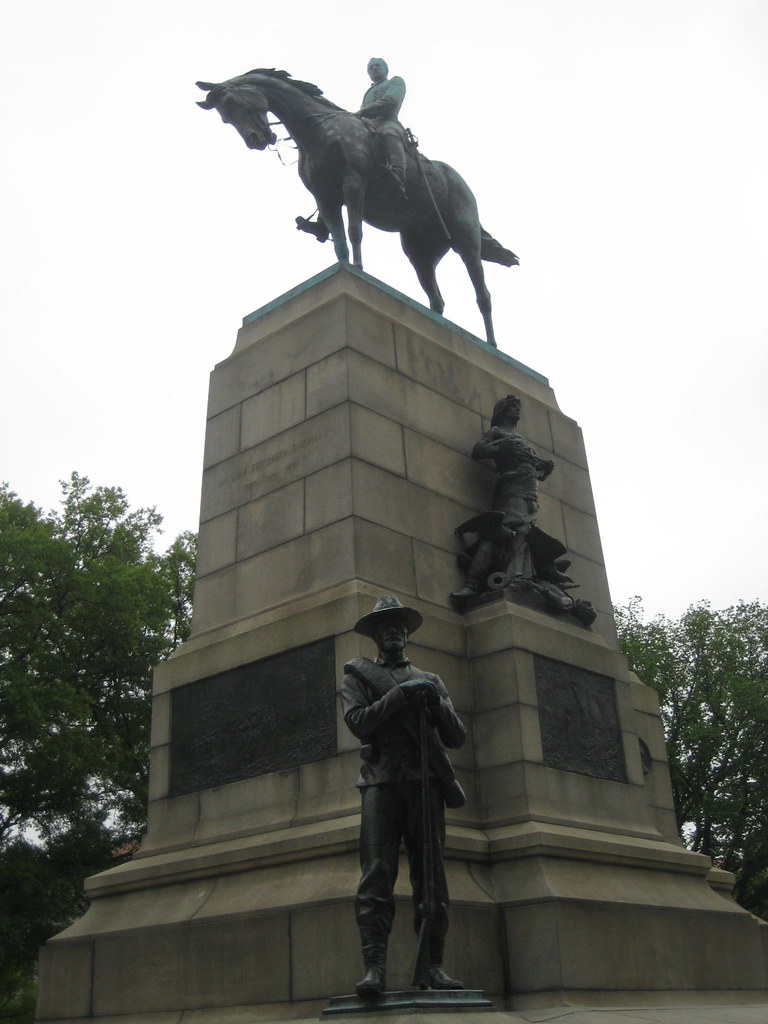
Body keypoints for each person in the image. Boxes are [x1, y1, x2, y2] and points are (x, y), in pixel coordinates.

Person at [342, 595, 466, 999]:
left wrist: (435, 706)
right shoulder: (357, 677)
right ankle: (374, 968)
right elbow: (359, 723)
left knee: (431, 878)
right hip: (381, 783)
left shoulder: (430, 679)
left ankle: (433, 965)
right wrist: (400, 695)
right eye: (385, 627)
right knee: (377, 873)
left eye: (399, 626)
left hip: (424, 784)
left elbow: (456, 737)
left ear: (406, 634)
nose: (393, 631)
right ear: (376, 636)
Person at [356, 57, 408, 196]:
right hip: (367, 126)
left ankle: (398, 174)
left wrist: (361, 112)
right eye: (370, 68)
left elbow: (390, 102)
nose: (373, 69)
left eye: (377, 66)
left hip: (387, 122)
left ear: (386, 69)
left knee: (388, 133)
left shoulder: (395, 82)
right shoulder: (368, 92)